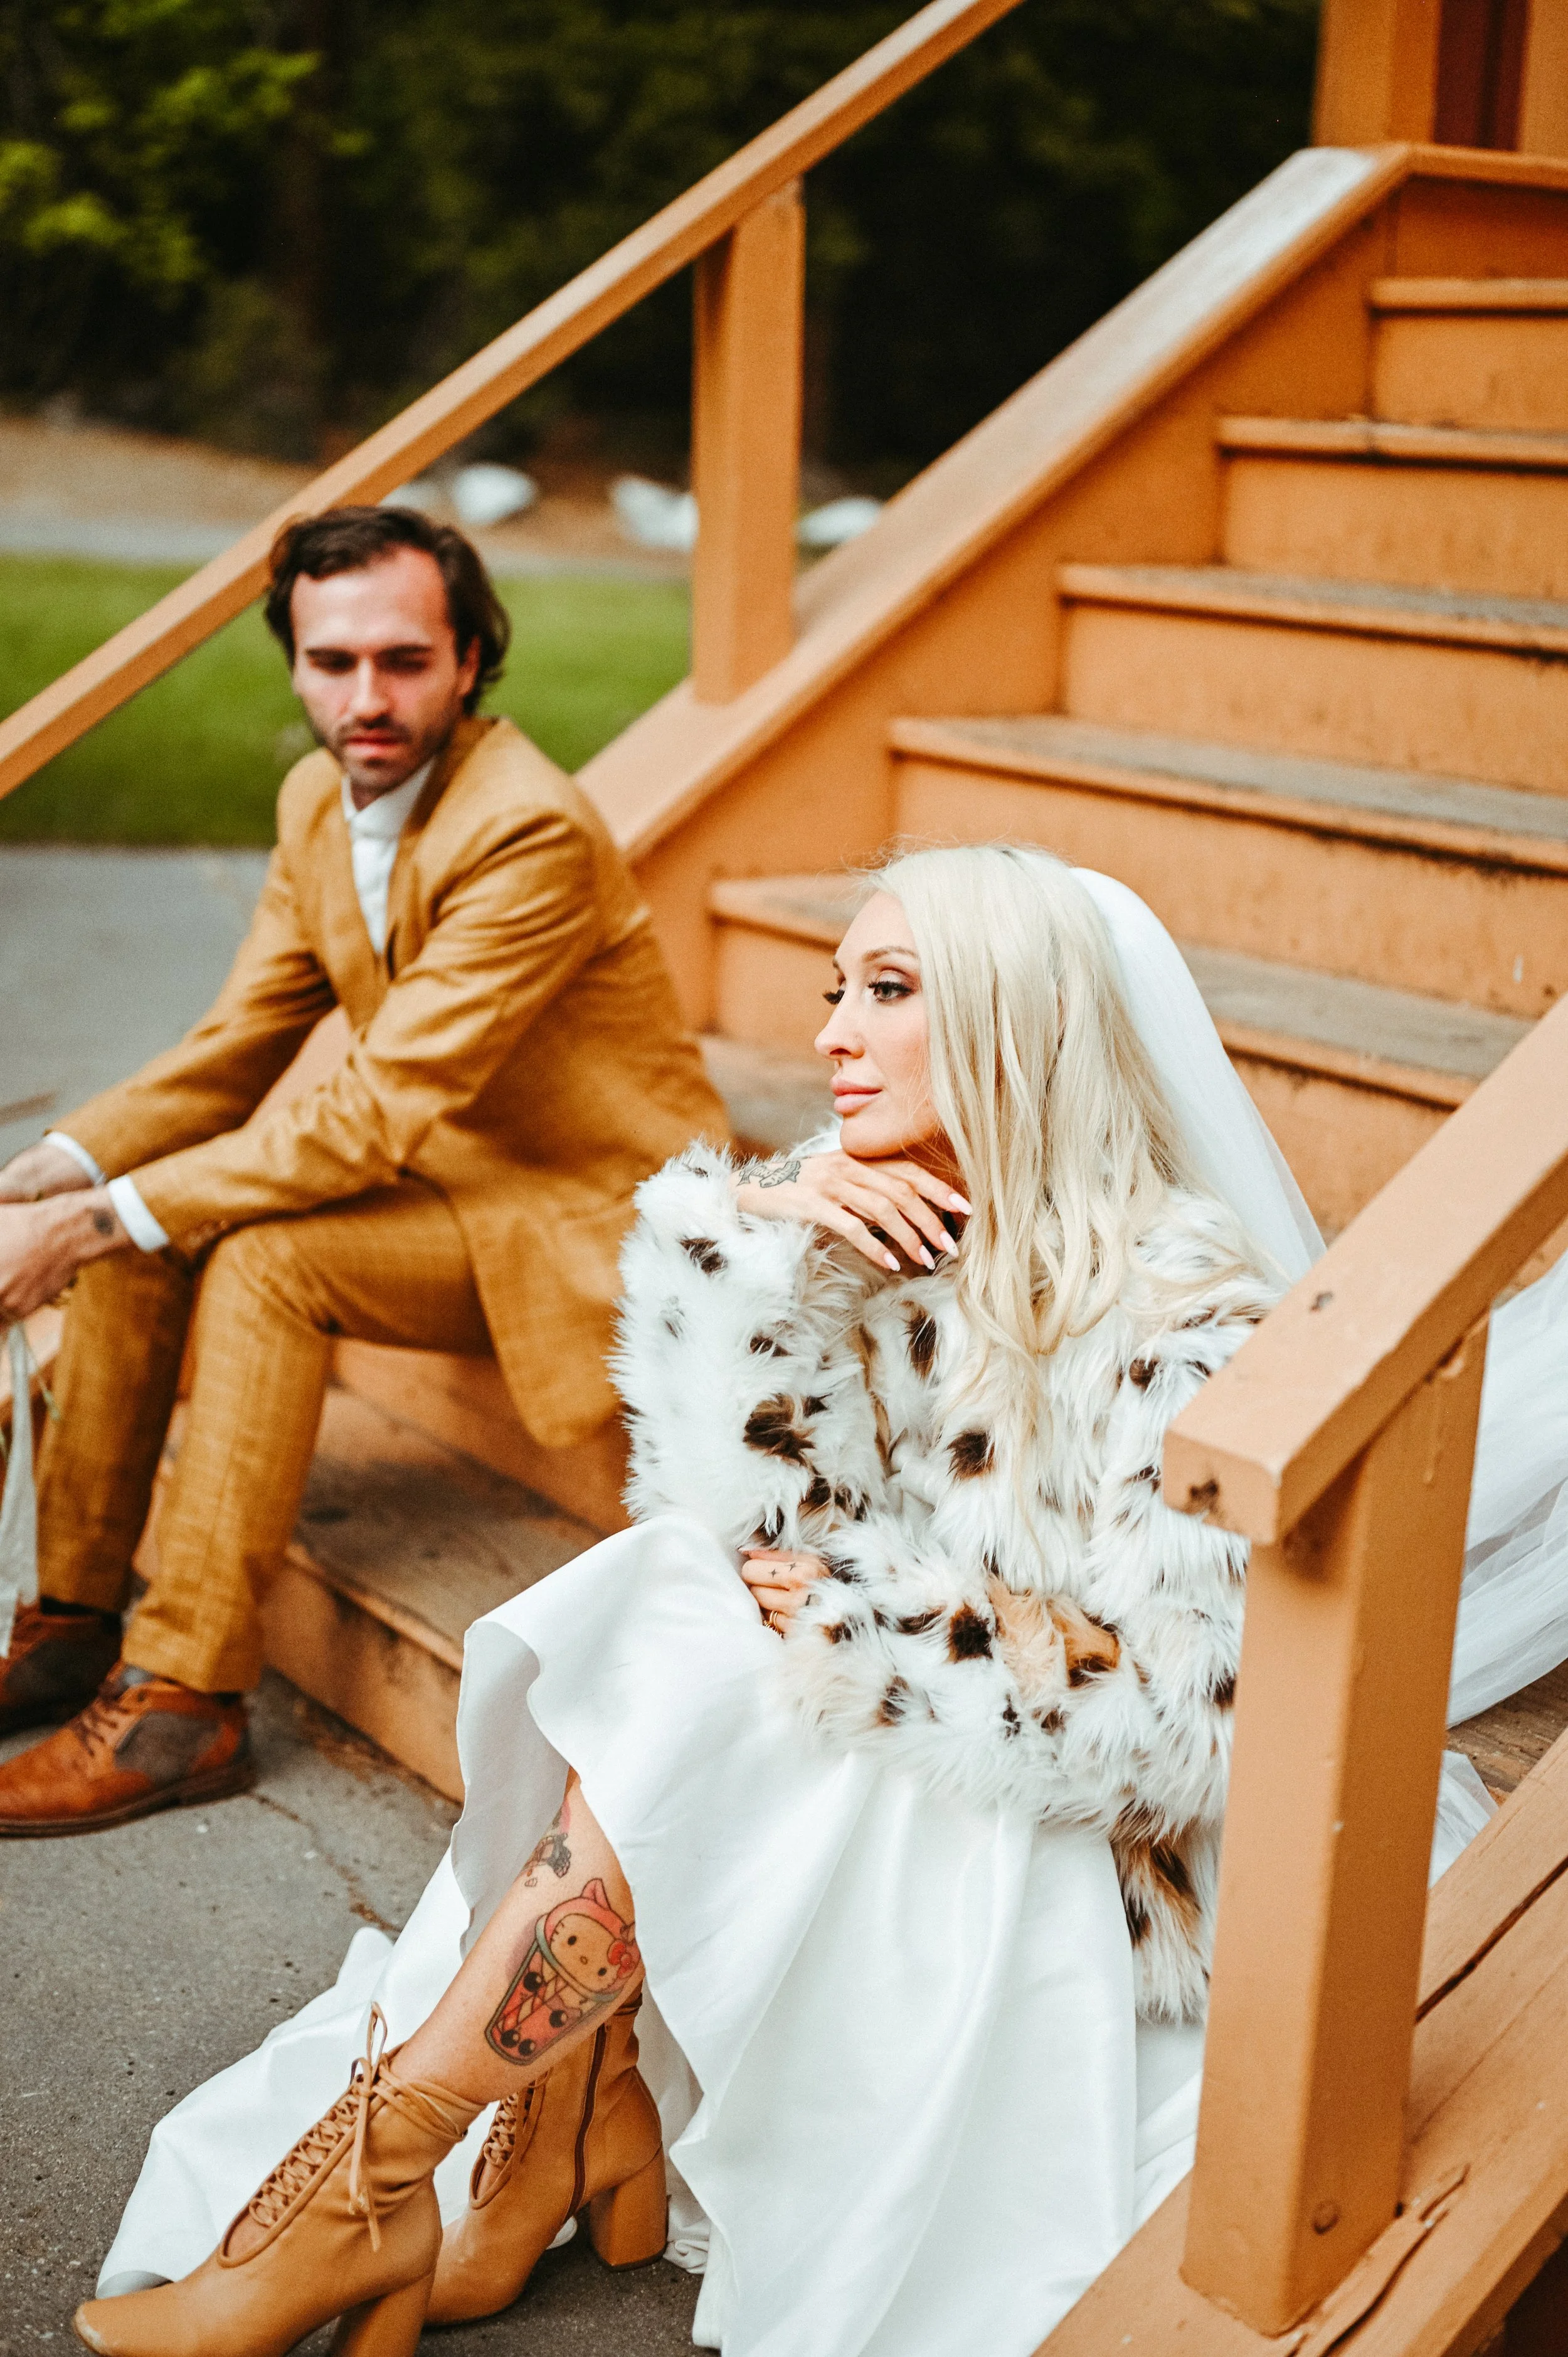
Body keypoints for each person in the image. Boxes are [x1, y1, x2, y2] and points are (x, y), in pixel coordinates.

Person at [70, 847, 1539, 2357]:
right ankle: (515, 2145)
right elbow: (740, 1532)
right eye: (833, 992)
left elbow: (1180, 1728)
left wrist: (864, 1616)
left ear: (1009, 1024)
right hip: (914, 1773)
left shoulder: (1183, 1320)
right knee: (687, 1602)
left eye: (888, 994)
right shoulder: (888, 1241)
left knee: (713, 1644)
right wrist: (758, 1259)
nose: (832, 1031)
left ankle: (410, 2169)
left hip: (1109, 1872)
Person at [0, 503, 728, 1837]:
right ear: (294, 662)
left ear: (468, 661)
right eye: (333, 663)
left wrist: (92, 1224)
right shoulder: (316, 800)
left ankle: (181, 1699)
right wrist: (39, 1181)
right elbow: (235, 1049)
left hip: (586, 1212)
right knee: (146, 1214)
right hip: (447, 1174)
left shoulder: (528, 829)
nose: (367, 696)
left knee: (256, 1254)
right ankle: (74, 1619)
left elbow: (372, 1112)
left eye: (403, 660)